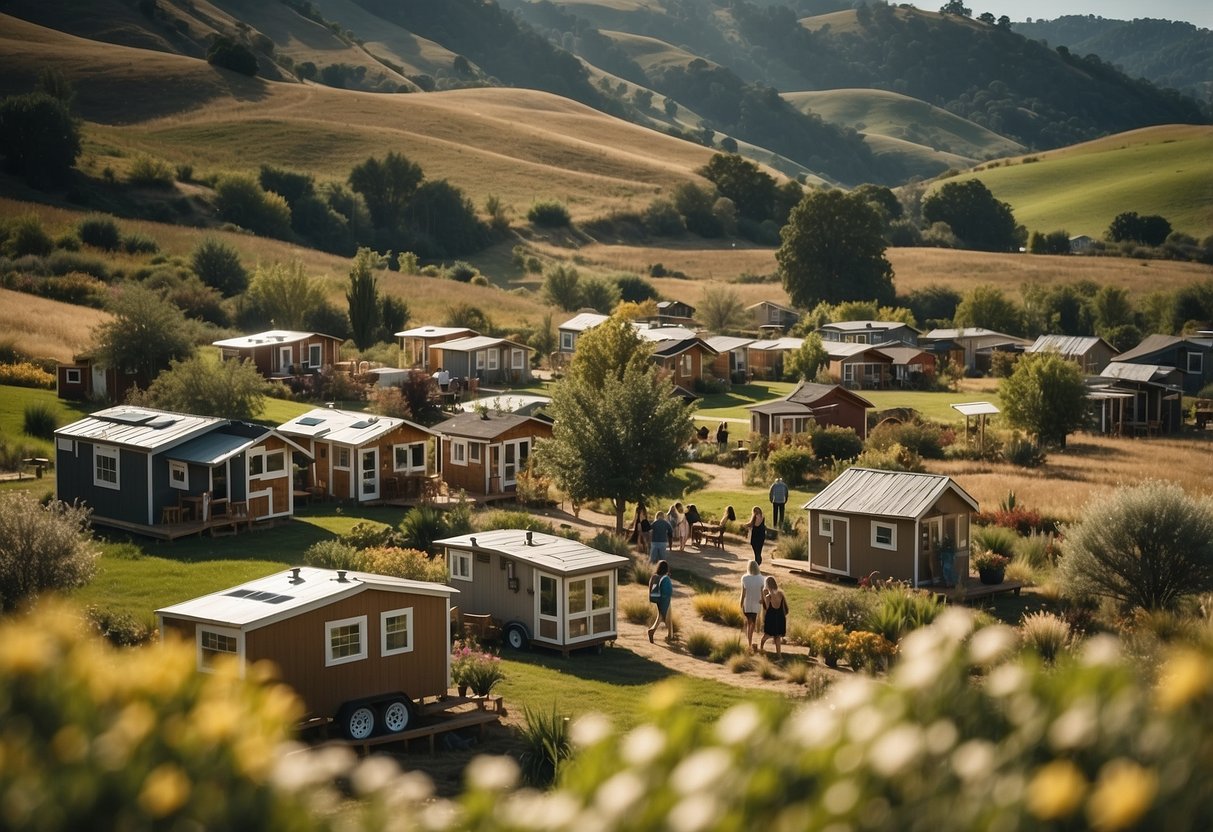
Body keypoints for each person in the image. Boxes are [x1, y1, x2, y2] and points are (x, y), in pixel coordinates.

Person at [739, 560, 765, 652]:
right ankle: (749, 643)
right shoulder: (762, 578)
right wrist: (763, 600)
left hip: (747, 603)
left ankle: (749, 642)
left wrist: (740, 604)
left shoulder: (744, 578)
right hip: (756, 604)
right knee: (752, 623)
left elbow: (743, 593)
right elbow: (763, 592)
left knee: (748, 622)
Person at [759, 575, 787, 657]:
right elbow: (783, 607)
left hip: (771, 617)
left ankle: (761, 648)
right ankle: (779, 655)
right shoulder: (781, 593)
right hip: (780, 617)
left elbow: (767, 608)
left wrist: (764, 596)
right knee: (777, 636)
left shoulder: (768, 596)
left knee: (766, 635)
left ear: (767, 585)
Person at [648, 560, 674, 643]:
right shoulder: (665, 578)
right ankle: (654, 630)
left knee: (661, 616)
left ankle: (670, 635)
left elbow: (650, 587)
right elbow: (669, 591)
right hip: (664, 599)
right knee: (666, 617)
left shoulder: (654, 576)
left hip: (656, 599)